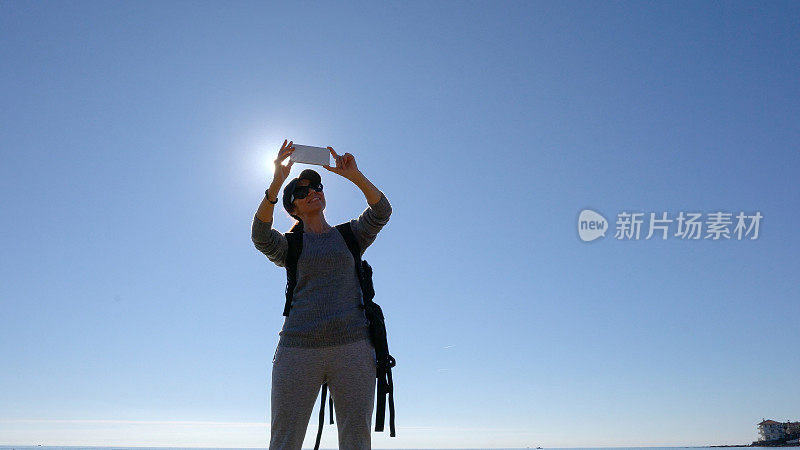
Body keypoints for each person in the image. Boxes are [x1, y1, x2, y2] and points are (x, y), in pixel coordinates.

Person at [251, 139, 392, 450]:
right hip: (298, 350)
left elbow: (382, 211)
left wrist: (354, 176)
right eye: (301, 192)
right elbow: (260, 235)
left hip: (353, 348)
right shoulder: (290, 245)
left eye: (316, 186)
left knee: (356, 443)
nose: (312, 192)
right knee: (284, 442)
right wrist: (277, 180)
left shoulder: (350, 235)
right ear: (293, 207)